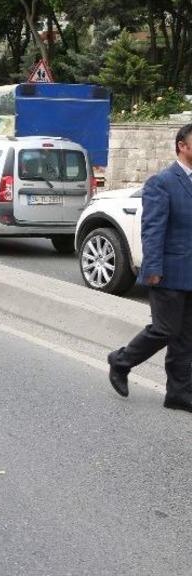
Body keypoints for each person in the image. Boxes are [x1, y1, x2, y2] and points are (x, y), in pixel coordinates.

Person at [108, 124, 192, 412]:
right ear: (182, 145)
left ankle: (178, 393)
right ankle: (121, 361)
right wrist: (152, 268)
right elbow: (152, 229)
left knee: (186, 336)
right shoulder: (163, 182)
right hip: (168, 271)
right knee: (164, 329)